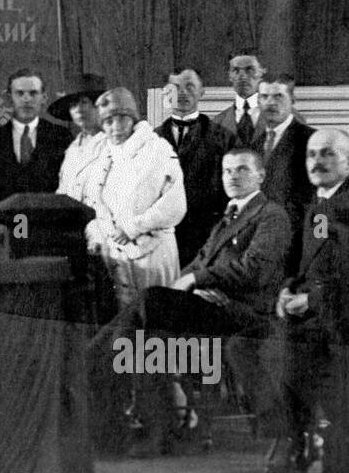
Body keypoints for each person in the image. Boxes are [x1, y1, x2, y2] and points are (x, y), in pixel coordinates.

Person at [122, 149, 291, 456]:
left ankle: (153, 422)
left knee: (147, 305)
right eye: (227, 171)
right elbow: (198, 263)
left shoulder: (271, 215)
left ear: (261, 176)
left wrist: (196, 282)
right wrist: (191, 285)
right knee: (148, 335)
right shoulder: (227, 216)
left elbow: (254, 270)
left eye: (242, 170)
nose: (233, 177)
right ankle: (162, 430)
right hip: (212, 305)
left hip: (243, 311)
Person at [270, 128, 349, 473]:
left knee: (287, 348)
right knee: (253, 345)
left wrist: (310, 301)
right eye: (312, 155)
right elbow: (303, 263)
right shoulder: (317, 204)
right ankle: (298, 435)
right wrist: (286, 289)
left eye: (328, 154)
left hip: (348, 314)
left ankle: (303, 438)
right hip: (312, 310)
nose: (317, 162)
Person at [80, 87, 187, 307]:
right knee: (126, 319)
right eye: (108, 122)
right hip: (117, 256)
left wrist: (132, 227)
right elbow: (93, 203)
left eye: (122, 119)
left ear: (133, 120)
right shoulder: (103, 156)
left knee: (158, 316)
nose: (116, 127)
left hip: (154, 252)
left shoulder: (157, 149)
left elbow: (175, 204)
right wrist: (97, 236)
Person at [156, 67, 235, 266]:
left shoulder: (223, 138)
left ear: (202, 92)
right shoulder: (151, 139)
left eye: (190, 86)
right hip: (161, 239)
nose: (182, 93)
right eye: (175, 87)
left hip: (205, 239)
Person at [250, 73, 315, 273]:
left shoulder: (310, 140)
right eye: (264, 97)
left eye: (278, 96)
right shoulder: (254, 143)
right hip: (260, 240)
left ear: (292, 100)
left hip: (295, 243)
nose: (270, 103)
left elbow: (316, 201)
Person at [0, 68, 71, 207]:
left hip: (50, 221)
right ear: (9, 97)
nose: (26, 99)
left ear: (44, 97)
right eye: (19, 93)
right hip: (6, 222)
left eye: (33, 93)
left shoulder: (61, 137)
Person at [52, 74, 108, 204]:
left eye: (84, 102)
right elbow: (63, 190)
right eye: (73, 105)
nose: (78, 110)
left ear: (99, 105)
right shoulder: (73, 148)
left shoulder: (113, 142)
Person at [214, 52, 265, 147]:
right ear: (230, 76)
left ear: (261, 73)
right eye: (236, 70)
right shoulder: (217, 123)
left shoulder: (281, 118)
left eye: (249, 70)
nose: (243, 76)